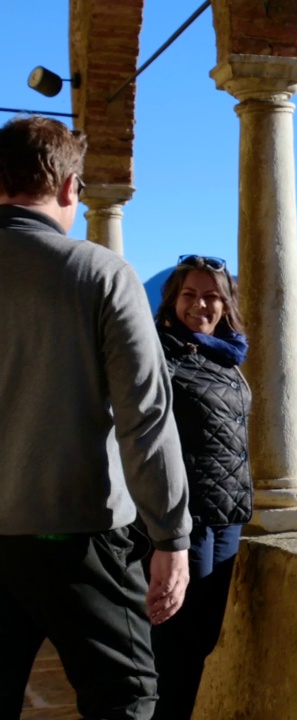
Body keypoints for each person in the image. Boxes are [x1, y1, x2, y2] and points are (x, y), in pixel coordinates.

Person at [0, 115, 192, 718]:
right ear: (69, 188)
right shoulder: (100, 273)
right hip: (78, 535)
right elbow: (146, 416)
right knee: (125, 699)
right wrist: (171, 536)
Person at [150, 255, 252, 720]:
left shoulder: (225, 356)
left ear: (225, 304)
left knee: (201, 639)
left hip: (226, 515)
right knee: (177, 642)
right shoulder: (160, 352)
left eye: (211, 295)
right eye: (189, 295)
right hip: (185, 517)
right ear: (173, 301)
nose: (200, 305)